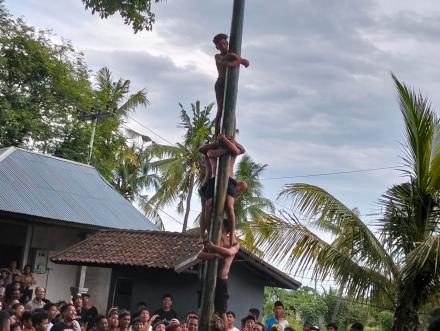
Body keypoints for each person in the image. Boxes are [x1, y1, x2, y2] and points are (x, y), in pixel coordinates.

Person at [204, 133, 246, 245]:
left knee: (229, 206)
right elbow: (233, 151)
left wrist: (233, 142)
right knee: (208, 206)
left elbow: (240, 150)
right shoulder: (210, 151)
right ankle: (209, 233)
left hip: (229, 180)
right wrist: (228, 146)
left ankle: (232, 234)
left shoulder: (233, 150)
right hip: (213, 180)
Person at [198, 220, 240, 324]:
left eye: (222, 228)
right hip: (208, 277)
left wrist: (213, 247)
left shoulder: (234, 243)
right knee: (203, 307)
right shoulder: (211, 239)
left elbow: (229, 252)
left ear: (226, 229)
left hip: (221, 279)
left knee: (221, 311)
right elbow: (199, 254)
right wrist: (213, 255)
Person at [212, 33, 249, 135]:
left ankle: (231, 135)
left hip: (230, 84)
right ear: (217, 47)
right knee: (220, 110)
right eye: (220, 45)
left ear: (227, 43)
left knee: (231, 108)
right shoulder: (218, 56)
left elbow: (247, 63)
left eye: (224, 44)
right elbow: (227, 63)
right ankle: (217, 135)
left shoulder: (233, 54)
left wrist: (237, 58)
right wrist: (240, 60)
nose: (223, 46)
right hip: (220, 84)